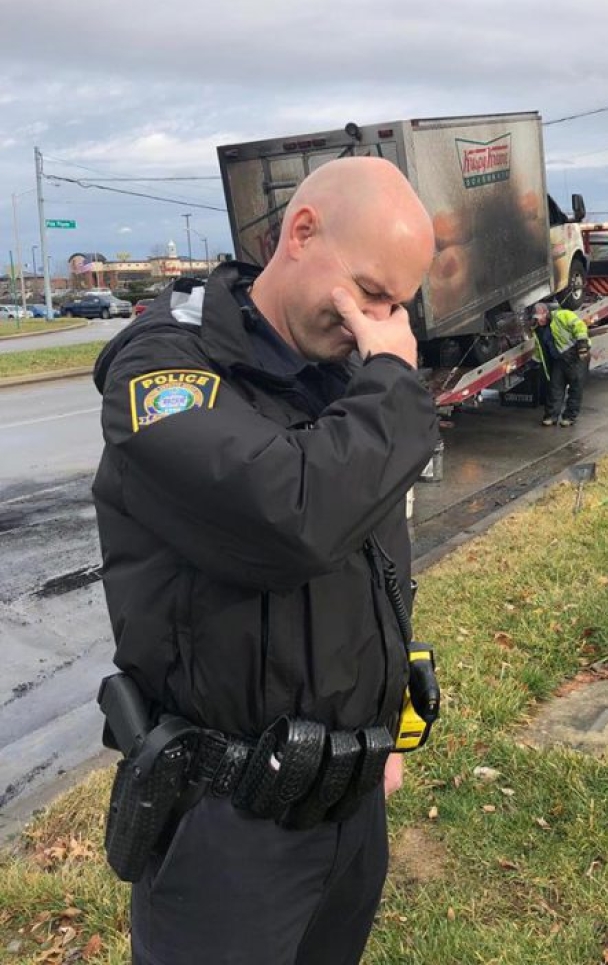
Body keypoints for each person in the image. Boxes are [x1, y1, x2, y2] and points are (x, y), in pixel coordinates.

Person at [92, 156, 438, 965]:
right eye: (368, 291)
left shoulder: (334, 378)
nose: (379, 322)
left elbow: (369, 567)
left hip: (348, 802)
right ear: (301, 231)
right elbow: (289, 519)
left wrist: (375, 732)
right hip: (229, 825)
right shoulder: (167, 369)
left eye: (396, 304)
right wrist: (391, 381)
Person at [532, 300, 590, 427]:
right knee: (555, 387)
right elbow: (540, 348)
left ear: (546, 312)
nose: (539, 321)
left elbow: (579, 325)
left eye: (540, 317)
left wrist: (582, 344)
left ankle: (569, 417)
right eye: (536, 318)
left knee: (575, 388)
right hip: (560, 360)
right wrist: (535, 361)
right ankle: (551, 416)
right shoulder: (540, 330)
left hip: (576, 356)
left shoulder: (562, 315)